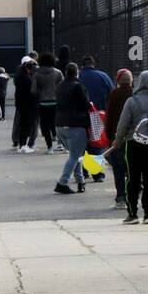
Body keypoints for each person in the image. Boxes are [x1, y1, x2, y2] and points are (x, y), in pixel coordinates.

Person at [113, 70, 148, 225]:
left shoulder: (131, 101)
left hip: (133, 144)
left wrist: (118, 139)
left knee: (132, 177)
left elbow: (122, 124)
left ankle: (132, 213)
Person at [53, 62, 92, 195]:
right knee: (75, 156)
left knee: (75, 155)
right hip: (75, 125)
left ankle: (81, 182)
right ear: (77, 72)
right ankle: (62, 183)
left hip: (59, 125)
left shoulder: (59, 86)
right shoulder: (78, 86)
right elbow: (86, 105)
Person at [77, 52, 114, 182]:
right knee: (96, 145)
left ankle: (84, 171)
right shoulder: (103, 76)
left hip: (80, 115)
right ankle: (96, 172)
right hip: (98, 115)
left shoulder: (78, 77)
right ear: (93, 64)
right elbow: (112, 93)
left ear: (82, 65)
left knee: (82, 144)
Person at [104, 69, 133, 209]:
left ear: (118, 80)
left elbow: (109, 117)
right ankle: (134, 194)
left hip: (117, 136)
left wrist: (109, 135)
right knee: (132, 168)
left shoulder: (114, 94)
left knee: (118, 168)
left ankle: (121, 197)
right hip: (133, 137)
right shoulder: (134, 94)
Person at [32, 52, 63, 153]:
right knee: (57, 123)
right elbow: (62, 87)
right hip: (56, 102)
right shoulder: (58, 72)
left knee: (44, 125)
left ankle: (49, 147)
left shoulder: (37, 74)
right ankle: (60, 143)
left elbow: (33, 90)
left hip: (43, 103)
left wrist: (40, 93)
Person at [12, 55, 38, 152]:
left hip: (20, 103)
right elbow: (32, 90)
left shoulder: (18, 75)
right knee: (27, 125)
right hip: (27, 104)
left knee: (23, 124)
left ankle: (21, 144)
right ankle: (24, 145)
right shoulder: (26, 78)